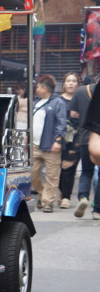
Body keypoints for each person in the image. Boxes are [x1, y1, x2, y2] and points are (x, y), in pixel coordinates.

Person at [29, 74, 67, 213]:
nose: (36, 89)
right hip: (35, 145)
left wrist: (58, 141)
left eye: (38, 87)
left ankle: (48, 202)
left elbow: (62, 123)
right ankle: (42, 193)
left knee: (52, 176)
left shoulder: (58, 103)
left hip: (51, 145)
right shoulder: (36, 102)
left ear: (44, 88)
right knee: (32, 173)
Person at [74, 76, 99, 219]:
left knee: (86, 171)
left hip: (85, 137)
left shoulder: (80, 91)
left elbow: (73, 113)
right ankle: (97, 210)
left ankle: (83, 197)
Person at [58, 72, 81, 208]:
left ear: (78, 84)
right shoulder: (58, 100)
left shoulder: (81, 99)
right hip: (59, 138)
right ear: (64, 83)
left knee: (69, 168)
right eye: (68, 81)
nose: (71, 83)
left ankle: (66, 197)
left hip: (77, 138)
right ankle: (62, 192)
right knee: (58, 168)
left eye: (74, 81)